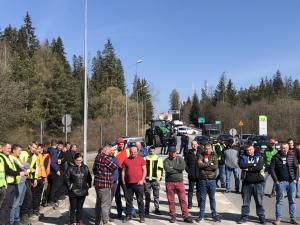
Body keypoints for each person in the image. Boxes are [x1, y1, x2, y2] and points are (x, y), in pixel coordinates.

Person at [270, 143, 300, 225]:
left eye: (286, 148)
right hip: (281, 182)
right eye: (283, 148)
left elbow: (296, 168)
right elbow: (272, 169)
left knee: (292, 201)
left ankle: (293, 218)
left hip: (291, 182)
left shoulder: (292, 157)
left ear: (288, 148)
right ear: (280, 148)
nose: (285, 149)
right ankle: (278, 218)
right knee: (279, 200)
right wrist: (276, 181)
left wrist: (296, 179)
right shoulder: (275, 157)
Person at [163, 146, 192, 223]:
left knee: (183, 200)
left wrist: (173, 167)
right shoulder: (166, 160)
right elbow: (167, 170)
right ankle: (173, 216)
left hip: (179, 182)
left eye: (174, 152)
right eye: (171, 152)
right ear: (169, 152)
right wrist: (177, 170)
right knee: (171, 201)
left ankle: (185, 216)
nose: (173, 154)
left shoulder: (180, 158)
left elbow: (182, 167)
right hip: (169, 183)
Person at [237, 145, 265, 224]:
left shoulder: (259, 157)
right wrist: (253, 165)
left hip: (258, 183)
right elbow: (242, 165)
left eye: (250, 150)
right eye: (248, 150)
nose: (249, 151)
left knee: (259, 202)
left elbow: (259, 167)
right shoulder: (243, 157)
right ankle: (244, 217)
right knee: (245, 202)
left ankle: (262, 218)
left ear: (254, 149)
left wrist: (248, 168)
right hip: (246, 183)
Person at [0, 143, 27, 225]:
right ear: (3, 148)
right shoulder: (2, 157)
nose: (9, 150)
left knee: (9, 206)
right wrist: (19, 173)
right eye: (8, 148)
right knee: (4, 207)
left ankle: (8, 222)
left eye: (10, 148)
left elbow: (16, 166)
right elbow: (8, 170)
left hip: (12, 184)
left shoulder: (9, 157)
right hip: (6, 185)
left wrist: (22, 171)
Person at [93, 145, 118, 225]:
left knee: (98, 203)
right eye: (110, 150)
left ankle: (97, 221)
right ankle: (105, 221)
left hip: (98, 183)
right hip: (104, 184)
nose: (111, 152)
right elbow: (114, 166)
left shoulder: (98, 156)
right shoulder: (105, 158)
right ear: (105, 150)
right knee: (105, 204)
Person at [197, 142, 221, 222]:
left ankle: (214, 215)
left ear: (211, 148)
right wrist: (209, 164)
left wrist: (205, 165)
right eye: (206, 149)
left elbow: (215, 167)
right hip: (203, 180)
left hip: (212, 180)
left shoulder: (214, 156)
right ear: (204, 148)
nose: (207, 150)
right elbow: (199, 165)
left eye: (209, 148)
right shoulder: (201, 155)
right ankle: (201, 215)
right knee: (202, 199)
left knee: (212, 198)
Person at [65, 153, 92, 225]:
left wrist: (88, 186)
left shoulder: (85, 167)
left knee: (80, 208)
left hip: (83, 191)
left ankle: (79, 220)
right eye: (77, 160)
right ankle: (71, 221)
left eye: (80, 160)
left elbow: (89, 178)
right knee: (73, 208)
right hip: (73, 191)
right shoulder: (70, 168)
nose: (79, 162)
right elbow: (66, 179)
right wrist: (70, 186)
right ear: (74, 160)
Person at [122, 146, 146, 223]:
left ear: (137, 152)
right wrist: (123, 182)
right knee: (128, 201)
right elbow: (123, 172)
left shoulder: (141, 159)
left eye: (135, 152)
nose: (133, 153)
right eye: (132, 152)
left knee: (140, 200)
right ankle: (128, 215)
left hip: (139, 184)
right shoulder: (126, 160)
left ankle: (142, 216)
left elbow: (144, 170)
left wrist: (142, 180)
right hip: (128, 184)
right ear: (130, 152)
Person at [20, 141, 39, 223]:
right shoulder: (23, 153)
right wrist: (29, 169)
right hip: (21, 177)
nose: (34, 149)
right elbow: (20, 164)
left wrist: (35, 178)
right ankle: (23, 215)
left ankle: (24, 214)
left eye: (36, 148)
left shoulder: (35, 156)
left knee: (28, 196)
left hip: (29, 178)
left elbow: (36, 168)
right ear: (29, 146)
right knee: (27, 196)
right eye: (33, 147)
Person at [9, 144, 27, 225]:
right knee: (15, 203)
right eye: (19, 150)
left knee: (19, 202)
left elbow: (26, 166)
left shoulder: (17, 158)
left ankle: (16, 219)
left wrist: (25, 167)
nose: (20, 152)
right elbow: (22, 168)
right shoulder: (12, 158)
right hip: (18, 182)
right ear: (14, 150)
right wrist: (25, 168)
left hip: (22, 181)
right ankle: (12, 221)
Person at [144, 145, 163, 215]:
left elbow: (161, 169)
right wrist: (143, 179)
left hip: (155, 181)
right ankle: (146, 209)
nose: (152, 152)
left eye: (153, 150)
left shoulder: (158, 158)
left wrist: (159, 179)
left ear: (155, 150)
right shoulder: (145, 158)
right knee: (147, 196)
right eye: (150, 150)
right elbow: (142, 169)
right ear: (148, 151)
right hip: (147, 180)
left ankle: (157, 209)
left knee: (156, 196)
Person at [114, 138, 130, 219]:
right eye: (119, 144)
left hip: (125, 176)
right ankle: (119, 212)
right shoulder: (114, 152)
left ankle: (128, 213)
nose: (121, 145)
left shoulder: (127, 152)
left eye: (122, 144)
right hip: (116, 176)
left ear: (124, 145)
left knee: (127, 195)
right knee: (117, 195)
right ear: (117, 145)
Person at [185, 140, 201, 209]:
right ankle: (189, 204)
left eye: (195, 144)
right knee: (191, 190)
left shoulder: (200, 153)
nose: (194, 145)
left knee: (199, 190)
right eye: (192, 144)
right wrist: (189, 171)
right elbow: (185, 164)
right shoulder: (188, 153)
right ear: (191, 145)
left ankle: (199, 203)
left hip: (199, 175)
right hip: (191, 175)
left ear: (197, 145)